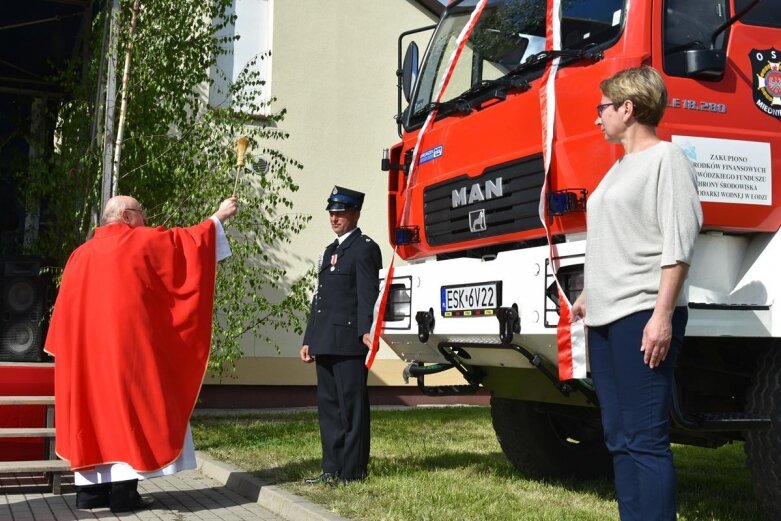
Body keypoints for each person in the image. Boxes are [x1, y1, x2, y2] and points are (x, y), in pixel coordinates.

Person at [44, 194, 238, 513]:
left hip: (84, 359)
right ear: (128, 216)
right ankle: (123, 495)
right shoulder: (139, 242)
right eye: (142, 213)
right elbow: (185, 245)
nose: (146, 219)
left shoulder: (79, 255)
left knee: (92, 417)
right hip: (124, 355)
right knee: (127, 417)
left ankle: (90, 495)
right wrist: (218, 217)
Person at [571, 65, 703, 521]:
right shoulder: (620, 167)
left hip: (643, 314)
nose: (597, 117)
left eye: (602, 107)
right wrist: (589, 292)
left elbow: (678, 242)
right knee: (618, 436)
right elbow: (618, 238)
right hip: (606, 318)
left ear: (628, 109)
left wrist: (663, 316)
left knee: (645, 439)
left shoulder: (668, 160)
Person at [300, 186, 382, 485]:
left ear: (355, 214)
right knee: (330, 411)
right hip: (325, 341)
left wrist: (365, 331)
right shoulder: (329, 251)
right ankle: (330, 469)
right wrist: (309, 337)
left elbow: (367, 294)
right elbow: (319, 298)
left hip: (349, 342)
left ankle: (352, 472)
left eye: (341, 213)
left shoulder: (365, 248)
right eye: (332, 214)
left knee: (352, 410)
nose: (334, 219)